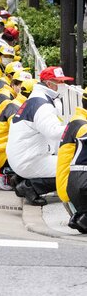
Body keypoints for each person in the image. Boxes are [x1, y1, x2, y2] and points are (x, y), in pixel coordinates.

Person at [6, 66, 73, 203]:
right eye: (60, 82)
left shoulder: (37, 98)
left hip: (23, 156)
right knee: (72, 168)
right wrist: (76, 127)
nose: (63, 85)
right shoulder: (43, 105)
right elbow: (54, 132)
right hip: (28, 159)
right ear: (49, 83)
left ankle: (22, 179)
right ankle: (30, 187)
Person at [56, 88, 87, 232]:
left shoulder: (76, 121)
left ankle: (81, 216)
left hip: (68, 186)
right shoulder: (83, 127)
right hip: (72, 188)